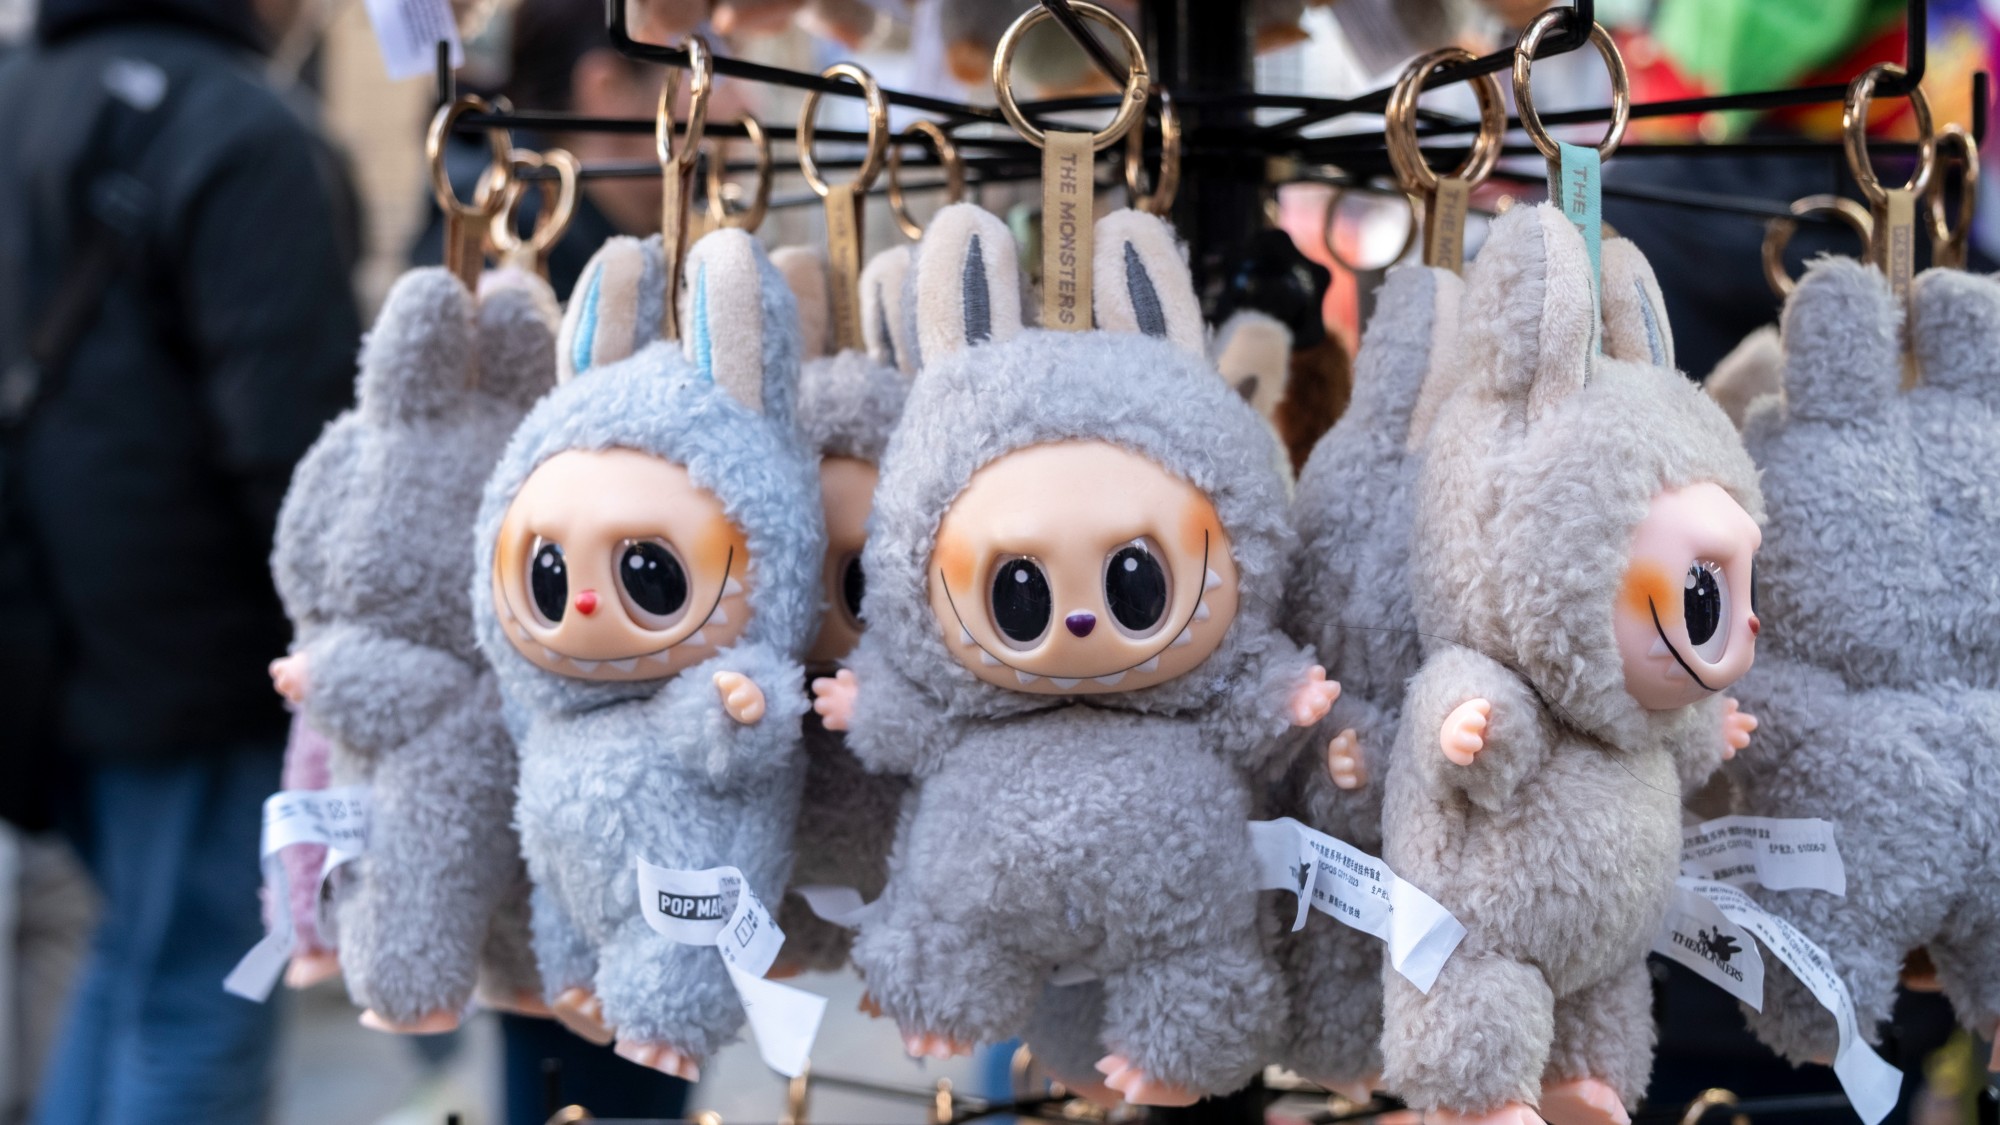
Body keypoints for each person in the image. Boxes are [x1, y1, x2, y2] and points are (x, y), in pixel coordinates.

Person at [0, 0, 361, 1119]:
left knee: (133, 960)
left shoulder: (22, 86)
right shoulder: (244, 129)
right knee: (199, 989)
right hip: (198, 659)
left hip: (47, 628)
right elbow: (298, 455)